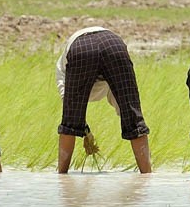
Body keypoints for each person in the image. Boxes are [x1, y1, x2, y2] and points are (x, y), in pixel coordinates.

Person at [56, 26, 152, 174]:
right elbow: (127, 109)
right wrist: (86, 131)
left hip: (82, 48)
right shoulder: (63, 69)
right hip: (113, 44)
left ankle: (62, 176)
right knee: (134, 118)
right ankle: (147, 175)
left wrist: (77, 124)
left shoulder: (65, 72)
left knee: (69, 123)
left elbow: (69, 108)